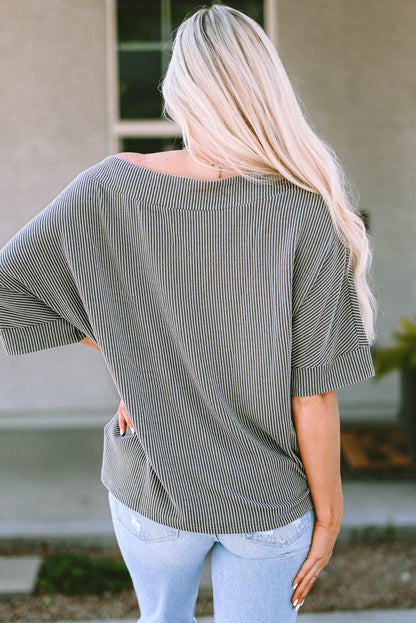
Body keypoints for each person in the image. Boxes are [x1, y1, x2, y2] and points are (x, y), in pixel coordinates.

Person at [0, 4, 376, 623]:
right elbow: (313, 393)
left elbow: (13, 287)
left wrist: (127, 349)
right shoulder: (305, 210)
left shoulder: (111, 188)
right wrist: (330, 516)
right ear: (264, 90)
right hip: (268, 500)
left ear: (179, 92)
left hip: (155, 487)